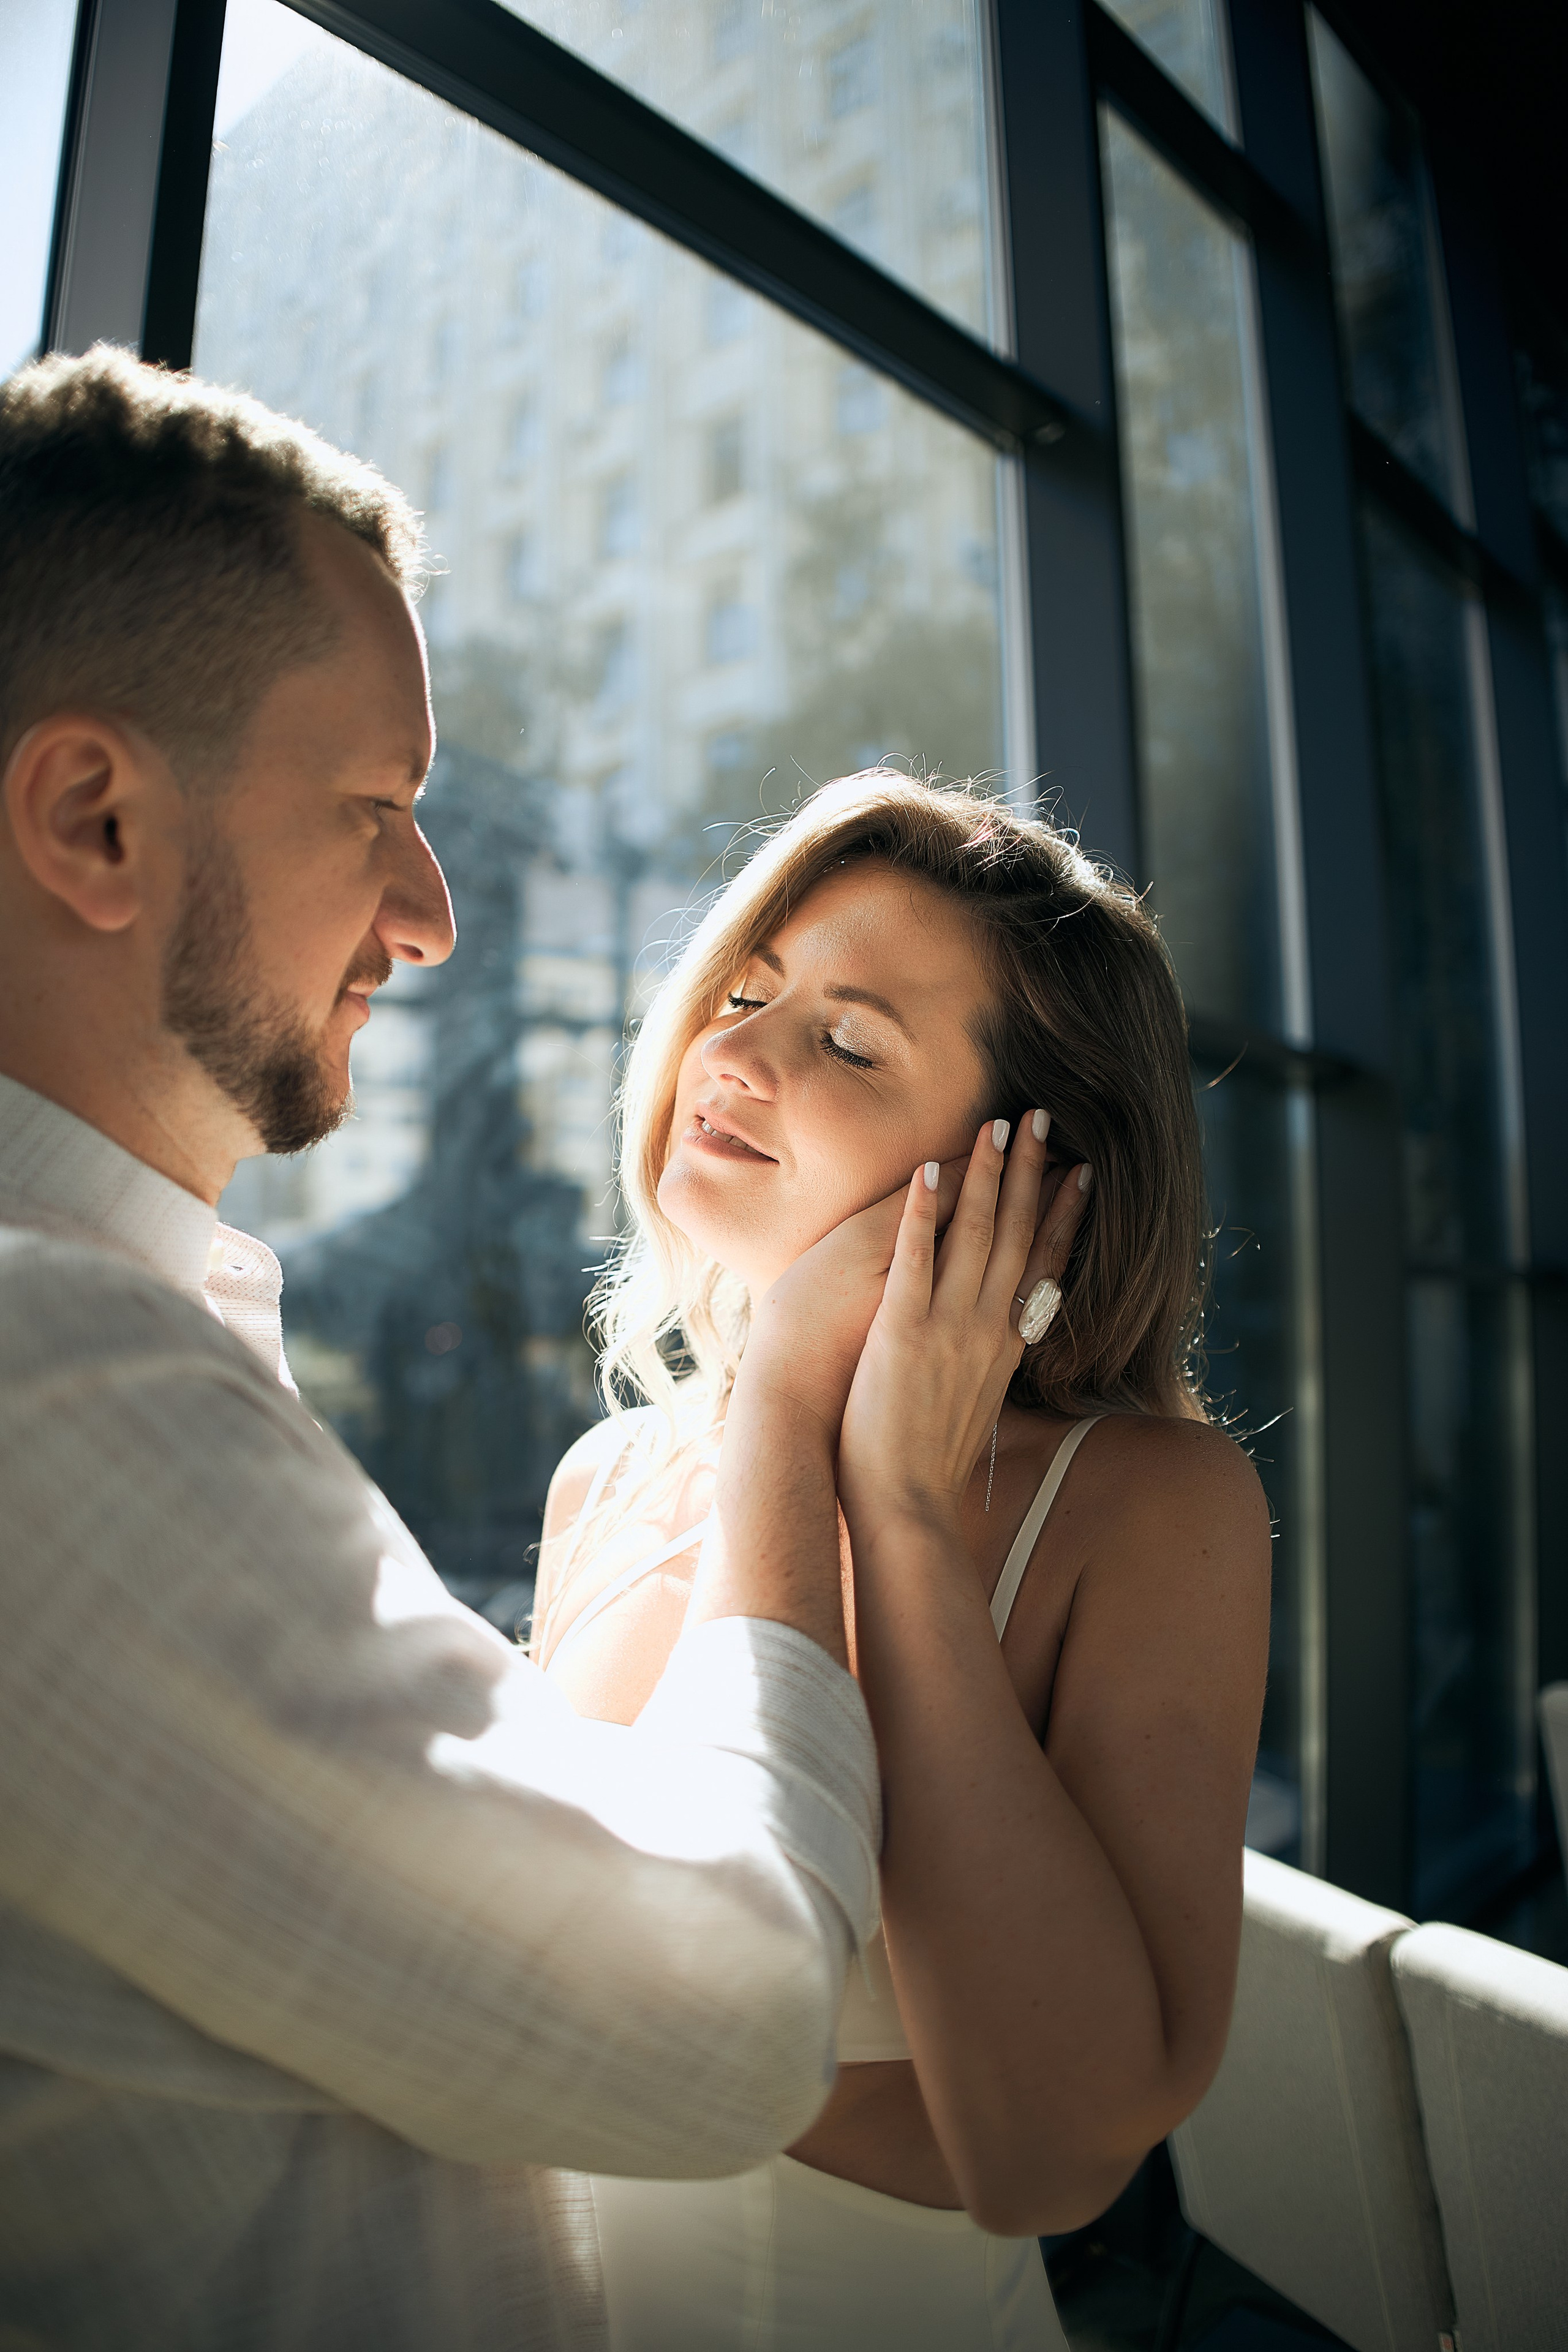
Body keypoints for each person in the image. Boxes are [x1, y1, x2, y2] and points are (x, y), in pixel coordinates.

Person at [0, 349, 884, 2351]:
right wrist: (789, 1437)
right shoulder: (43, 1382)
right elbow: (735, 2022)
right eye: (374, 808)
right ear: (92, 820)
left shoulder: (110, 1337)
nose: (434, 914)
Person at [531, 774, 1273, 2350]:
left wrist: (907, 1521)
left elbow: (1050, 2157)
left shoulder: (1149, 1508)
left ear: (1029, 1172)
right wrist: (791, 1383)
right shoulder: (603, 1481)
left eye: (846, 1041)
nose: (730, 1058)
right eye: (745, 994)